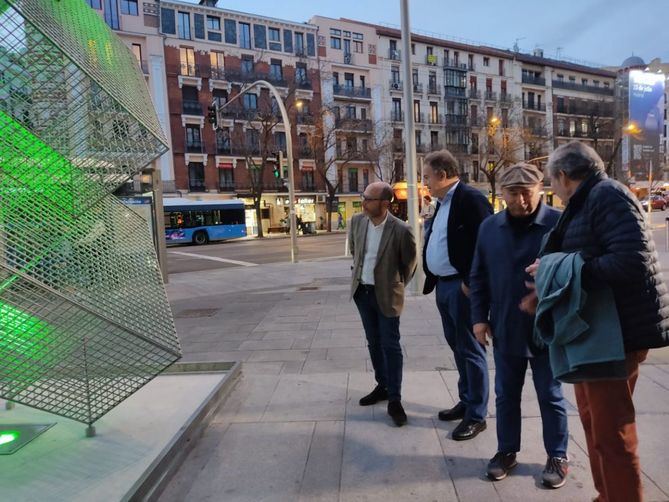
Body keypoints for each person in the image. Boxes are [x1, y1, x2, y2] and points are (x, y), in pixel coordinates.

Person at [524, 141, 669, 502]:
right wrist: (547, 284)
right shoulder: (587, 201)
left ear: (562, 175)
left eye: (550, 181)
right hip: (594, 334)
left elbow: (629, 261)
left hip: (615, 335)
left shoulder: (607, 196)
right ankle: (607, 495)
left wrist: (563, 270)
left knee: (612, 433)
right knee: (595, 425)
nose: (551, 189)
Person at [469, 163, 569, 488]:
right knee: (505, 395)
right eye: (513, 194)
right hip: (505, 325)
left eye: (527, 193)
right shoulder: (489, 228)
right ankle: (506, 451)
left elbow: (575, 273)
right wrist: (479, 319)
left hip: (547, 328)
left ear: (541, 189)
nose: (521, 201)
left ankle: (557, 455)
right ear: (502, 194)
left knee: (550, 395)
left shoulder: (558, 223)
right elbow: (478, 276)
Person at [422, 149, 493, 440]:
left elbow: (486, 242)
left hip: (462, 287)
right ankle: (466, 401)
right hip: (443, 285)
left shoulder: (470, 199)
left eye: (426, 176)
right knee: (457, 347)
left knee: (470, 350)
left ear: (441, 174)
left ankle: (477, 414)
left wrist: (470, 281)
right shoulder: (442, 202)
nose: (424, 182)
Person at [349, 181, 417, 427]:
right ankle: (383, 385)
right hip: (362, 293)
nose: (363, 202)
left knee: (391, 345)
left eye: (368, 198)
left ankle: (395, 399)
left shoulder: (400, 229)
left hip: (387, 295)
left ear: (385, 203)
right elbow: (355, 252)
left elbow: (409, 265)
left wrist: (394, 285)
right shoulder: (356, 222)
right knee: (373, 342)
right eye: (364, 197)